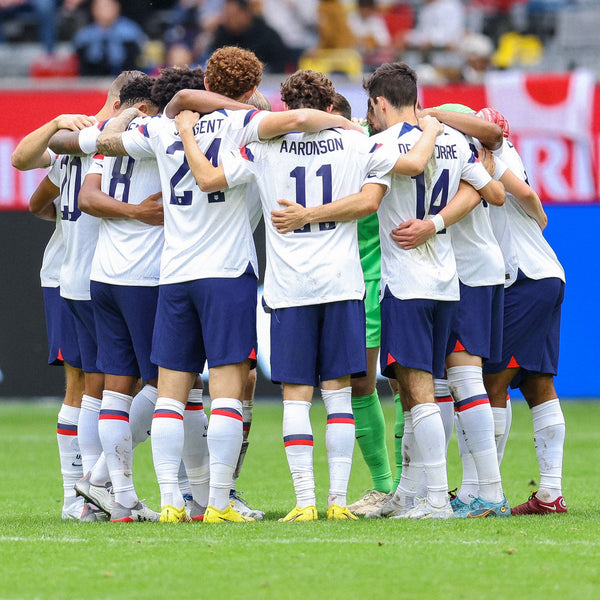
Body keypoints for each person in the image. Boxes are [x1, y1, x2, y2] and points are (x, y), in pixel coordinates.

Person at [94, 49, 364, 524]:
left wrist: (125, 120)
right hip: (228, 273)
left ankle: (172, 504)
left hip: (174, 273)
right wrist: (341, 124)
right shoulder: (246, 128)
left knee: (172, 394)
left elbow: (105, 140)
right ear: (246, 89)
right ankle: (217, 501)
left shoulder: (160, 129)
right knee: (225, 392)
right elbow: (294, 119)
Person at [178, 69, 449, 520]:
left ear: (287, 106)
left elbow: (208, 181)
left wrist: (186, 132)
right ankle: (337, 502)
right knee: (339, 395)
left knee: (296, 397)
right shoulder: (356, 141)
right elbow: (374, 197)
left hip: (289, 287)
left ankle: (304, 502)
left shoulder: (262, 146)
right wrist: (428, 128)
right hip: (342, 284)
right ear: (331, 106)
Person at [272, 63, 504, 520]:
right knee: (435, 388)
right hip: (447, 282)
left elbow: (374, 195)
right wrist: (437, 222)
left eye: (371, 109)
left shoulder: (373, 145)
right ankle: (435, 492)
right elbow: (493, 193)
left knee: (419, 394)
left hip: (404, 282)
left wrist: (306, 214)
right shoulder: (452, 139)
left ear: (379, 103)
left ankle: (434, 498)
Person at [476, 107, 567, 516]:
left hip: (525, 280)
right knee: (537, 385)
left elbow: (528, 196)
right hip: (546, 276)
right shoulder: (507, 154)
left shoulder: (497, 158)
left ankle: (486, 490)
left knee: (491, 379)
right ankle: (549, 494)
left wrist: (541, 216)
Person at [208, 0, 289, 72]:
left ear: (246, 14)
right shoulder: (222, 34)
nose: (228, 21)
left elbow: (279, 65)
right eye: (226, 16)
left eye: (232, 16)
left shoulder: (267, 36)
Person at [73, 0, 146, 76]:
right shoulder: (84, 35)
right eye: (99, 7)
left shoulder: (131, 31)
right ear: (93, 9)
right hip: (93, 80)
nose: (104, 11)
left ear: (117, 8)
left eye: (107, 6)